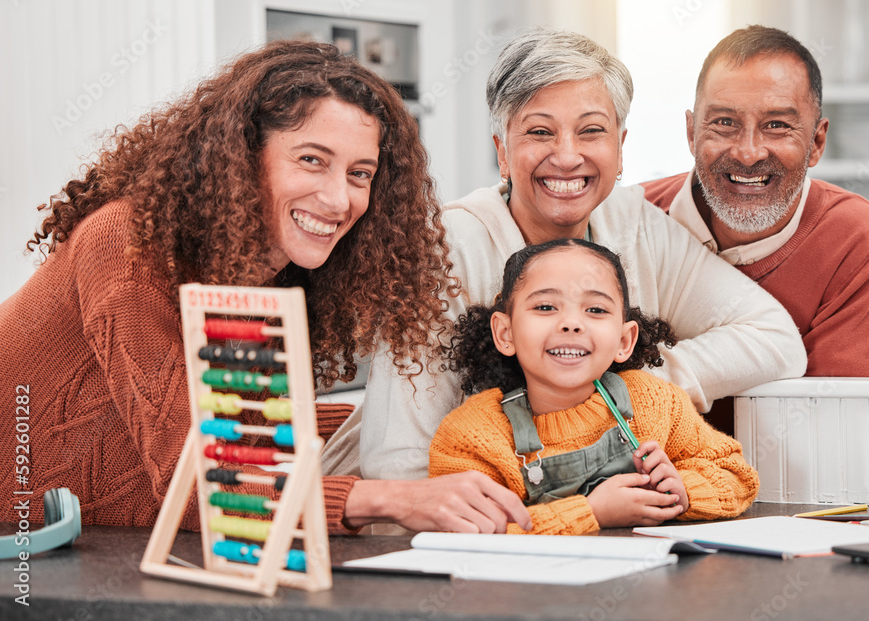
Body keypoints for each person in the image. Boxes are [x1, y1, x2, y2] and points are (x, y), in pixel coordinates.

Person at [0, 40, 531, 535]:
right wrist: (385, 497)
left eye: (360, 173)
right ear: (240, 153)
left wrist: (395, 417)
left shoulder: (276, 275)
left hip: (97, 542)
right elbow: (201, 490)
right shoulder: (126, 245)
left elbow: (243, 431)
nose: (338, 198)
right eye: (311, 160)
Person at [347, 28, 807, 484]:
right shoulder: (445, 250)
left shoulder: (635, 223)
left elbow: (775, 341)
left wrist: (613, 386)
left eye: (591, 131)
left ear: (620, 148)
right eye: (540, 132)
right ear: (502, 152)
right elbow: (398, 465)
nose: (567, 157)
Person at [429, 239, 759, 535]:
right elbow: (466, 532)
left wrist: (683, 490)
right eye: (545, 307)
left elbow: (738, 476)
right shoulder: (470, 435)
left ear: (623, 339)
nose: (571, 323)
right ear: (505, 333)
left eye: (595, 309)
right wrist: (592, 512)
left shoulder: (655, 401)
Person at [643, 25, 869, 377]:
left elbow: (832, 420)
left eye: (777, 125)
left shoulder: (862, 243)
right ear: (692, 133)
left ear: (816, 142)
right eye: (725, 122)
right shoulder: (633, 219)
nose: (749, 153)